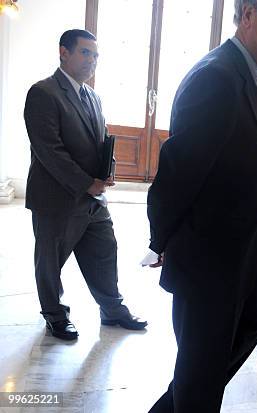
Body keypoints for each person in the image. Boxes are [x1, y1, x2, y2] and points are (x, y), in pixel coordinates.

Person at [146, 0, 257, 410]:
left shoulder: (250, 77)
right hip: (208, 258)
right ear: (249, 15)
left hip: (243, 253)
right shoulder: (216, 77)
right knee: (201, 374)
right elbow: (177, 175)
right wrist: (162, 239)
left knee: (240, 337)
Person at [23, 29, 147, 341]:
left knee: (105, 251)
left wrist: (108, 171)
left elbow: (103, 140)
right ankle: (54, 314)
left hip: (93, 197)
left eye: (95, 55)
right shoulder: (43, 92)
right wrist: (85, 183)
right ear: (63, 52)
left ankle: (112, 310)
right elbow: (48, 150)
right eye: (85, 52)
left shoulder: (93, 96)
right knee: (51, 262)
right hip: (57, 198)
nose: (92, 60)